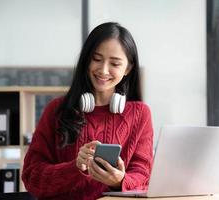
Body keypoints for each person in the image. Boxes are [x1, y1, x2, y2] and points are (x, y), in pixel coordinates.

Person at [22, 22, 154, 200]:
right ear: (86, 60)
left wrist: (119, 180)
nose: (103, 70)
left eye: (115, 63)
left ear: (128, 69)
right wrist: (75, 167)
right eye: (97, 59)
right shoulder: (57, 110)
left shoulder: (140, 114)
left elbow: (144, 176)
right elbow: (32, 177)